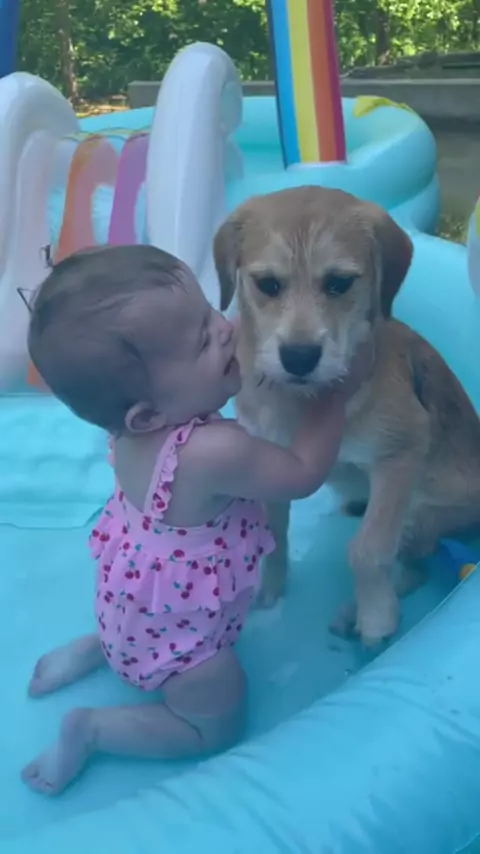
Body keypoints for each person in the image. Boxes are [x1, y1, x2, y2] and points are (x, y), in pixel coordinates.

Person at [21, 245, 371, 795]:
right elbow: (303, 474)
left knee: (135, 636)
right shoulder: (214, 452)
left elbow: (221, 342)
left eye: (210, 311)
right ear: (148, 413)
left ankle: (101, 649)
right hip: (188, 650)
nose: (227, 329)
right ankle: (93, 730)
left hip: (130, 606)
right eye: (204, 339)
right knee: (214, 728)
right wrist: (336, 395)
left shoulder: (131, 428)